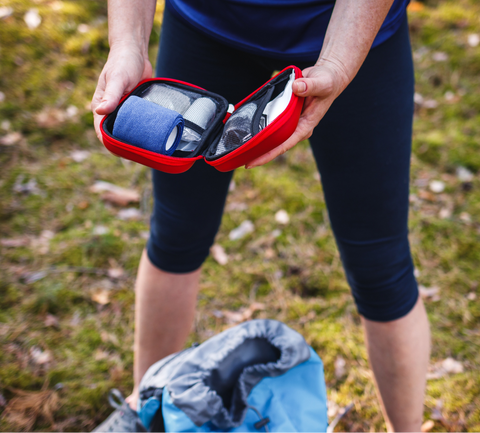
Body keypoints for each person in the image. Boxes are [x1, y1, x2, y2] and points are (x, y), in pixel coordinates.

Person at [91, 0, 431, 432]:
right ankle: (150, 412)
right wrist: (127, 44)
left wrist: (338, 64)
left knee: (379, 262)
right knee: (177, 232)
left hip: (353, 31)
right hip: (206, 24)